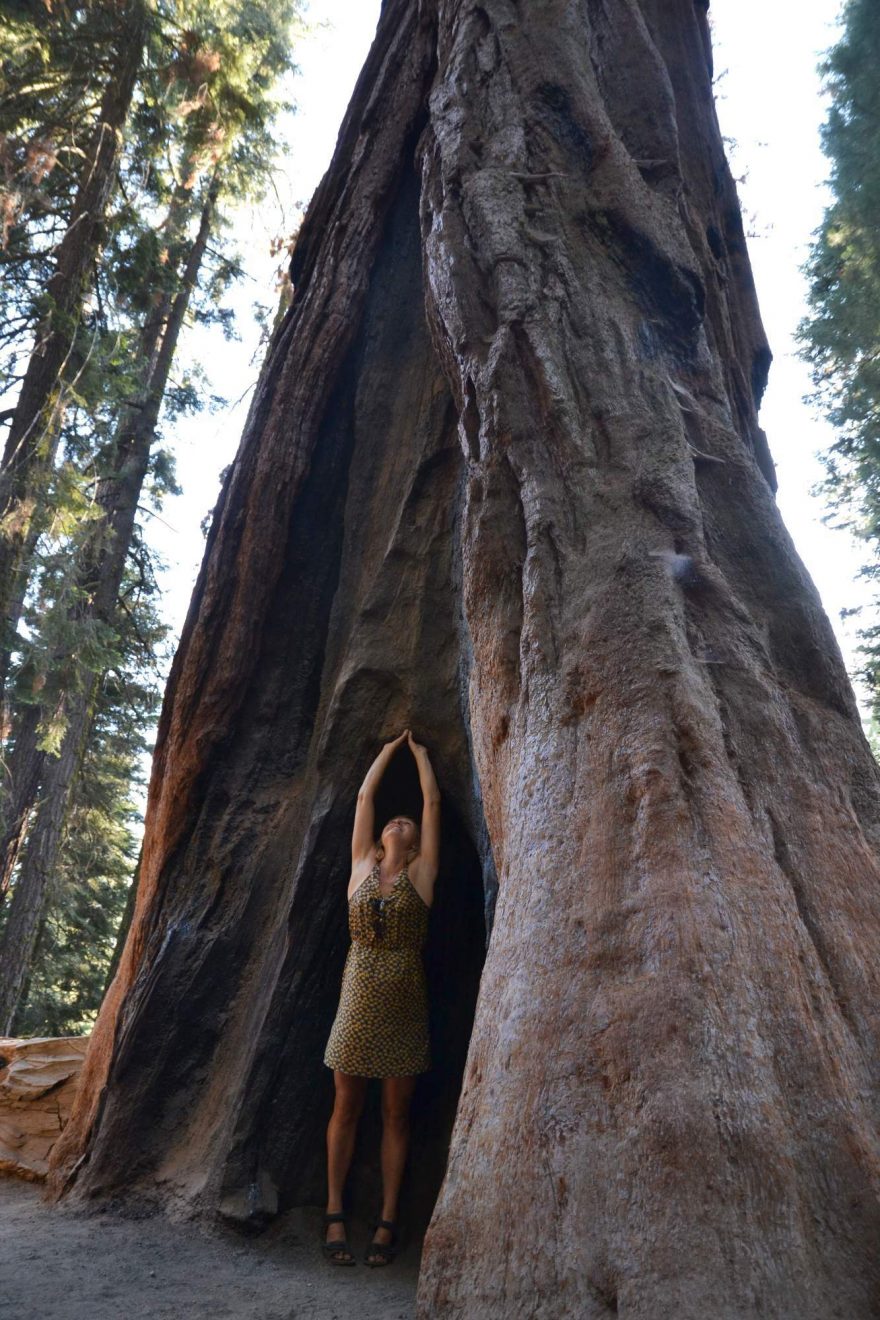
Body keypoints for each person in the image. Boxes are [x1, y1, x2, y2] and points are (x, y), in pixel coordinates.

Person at [322, 729, 441, 1267]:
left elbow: (432, 801)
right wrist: (385, 748)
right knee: (346, 1105)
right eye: (393, 820)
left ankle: (389, 1219)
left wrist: (418, 755)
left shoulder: (422, 873)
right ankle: (334, 1211)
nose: (398, 820)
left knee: (396, 1114)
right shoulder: (359, 871)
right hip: (357, 996)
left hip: (404, 1002)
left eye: (407, 822)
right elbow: (365, 800)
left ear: (414, 841)